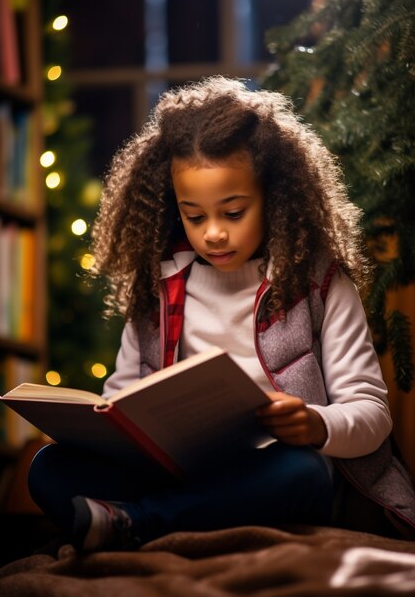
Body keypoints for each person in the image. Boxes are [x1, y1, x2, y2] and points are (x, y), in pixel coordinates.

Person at [29, 76, 415, 552]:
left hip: (278, 473)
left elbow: (373, 416)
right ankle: (164, 520)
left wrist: (317, 424)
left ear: (274, 198)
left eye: (233, 213)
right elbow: (121, 395)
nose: (213, 233)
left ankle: (141, 523)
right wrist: (112, 428)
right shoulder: (158, 286)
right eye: (195, 216)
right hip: (181, 473)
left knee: (303, 471)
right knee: (48, 468)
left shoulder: (319, 283)